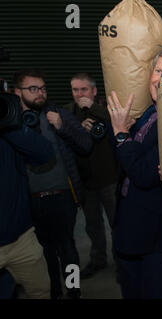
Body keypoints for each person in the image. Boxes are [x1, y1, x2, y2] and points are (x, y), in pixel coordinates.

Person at [106, 45, 162, 299]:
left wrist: (122, 135)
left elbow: (144, 174)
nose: (161, 79)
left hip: (156, 236)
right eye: (158, 70)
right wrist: (121, 133)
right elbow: (124, 160)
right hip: (127, 229)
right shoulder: (146, 112)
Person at [13, 70, 93, 299]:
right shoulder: (11, 121)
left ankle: (73, 290)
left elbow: (86, 144)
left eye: (43, 88)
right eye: (33, 89)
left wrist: (62, 127)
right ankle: (55, 292)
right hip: (30, 200)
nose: (40, 93)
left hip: (63, 196)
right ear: (17, 92)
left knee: (68, 249)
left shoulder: (58, 113)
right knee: (44, 253)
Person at [63, 73, 118, 279]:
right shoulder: (68, 112)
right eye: (75, 90)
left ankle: (122, 263)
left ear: (94, 91)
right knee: (92, 225)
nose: (79, 94)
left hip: (109, 178)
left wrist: (93, 109)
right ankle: (98, 260)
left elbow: (117, 125)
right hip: (85, 180)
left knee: (116, 223)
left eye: (84, 89)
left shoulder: (106, 110)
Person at [0, 92, 54, 299]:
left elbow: (45, 153)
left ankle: (73, 288)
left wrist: (8, 123)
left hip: (21, 238)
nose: (39, 92)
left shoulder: (10, 128)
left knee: (64, 255)